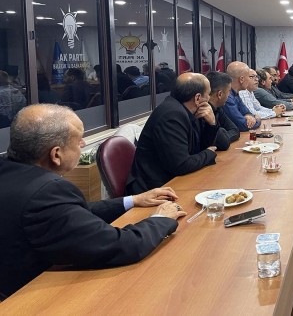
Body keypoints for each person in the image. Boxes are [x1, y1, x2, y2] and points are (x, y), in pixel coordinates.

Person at [0, 104, 184, 299]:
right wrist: (161, 219)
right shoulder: (46, 192)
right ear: (56, 154)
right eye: (78, 139)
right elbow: (121, 246)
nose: (83, 143)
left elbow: (73, 213)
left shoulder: (10, 172)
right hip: (30, 298)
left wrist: (133, 200)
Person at [126, 73, 220, 193]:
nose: (209, 99)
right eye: (208, 94)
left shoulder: (189, 111)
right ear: (197, 98)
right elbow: (181, 165)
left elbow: (201, 148)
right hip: (153, 189)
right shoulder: (172, 115)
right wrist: (209, 153)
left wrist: (211, 123)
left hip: (171, 181)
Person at [205, 71, 240, 146]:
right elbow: (222, 144)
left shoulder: (218, 108)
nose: (229, 95)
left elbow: (235, 130)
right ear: (220, 94)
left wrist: (224, 136)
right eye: (229, 91)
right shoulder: (203, 112)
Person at [223, 61, 261, 132]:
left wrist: (249, 116)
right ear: (241, 79)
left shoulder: (236, 94)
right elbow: (243, 125)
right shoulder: (227, 97)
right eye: (249, 77)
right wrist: (258, 119)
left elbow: (247, 112)